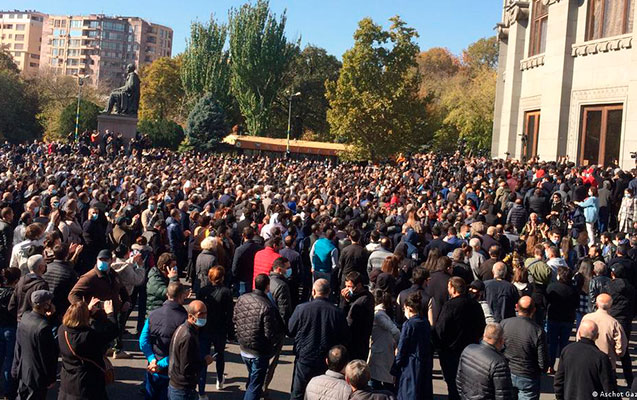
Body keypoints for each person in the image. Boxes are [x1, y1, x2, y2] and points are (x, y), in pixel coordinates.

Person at [288, 279, 350, 400]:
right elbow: (345, 337)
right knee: (322, 393)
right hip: (325, 359)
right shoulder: (337, 313)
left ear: (313, 291)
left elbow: (290, 330)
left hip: (304, 357)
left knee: (298, 392)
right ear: (329, 292)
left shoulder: (302, 309)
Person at [68, 249, 131, 359]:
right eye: (100, 259)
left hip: (113, 313)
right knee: (97, 347)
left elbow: (122, 289)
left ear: (111, 261)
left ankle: (114, 350)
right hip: (97, 318)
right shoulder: (89, 277)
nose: (103, 262)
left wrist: (126, 301)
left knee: (114, 334)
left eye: (105, 259)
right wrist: (84, 308)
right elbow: (73, 295)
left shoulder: (113, 274)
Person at [233, 273, 284, 400]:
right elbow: (269, 333)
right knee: (255, 386)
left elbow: (235, 319)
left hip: (244, 347)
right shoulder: (267, 306)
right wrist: (273, 346)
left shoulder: (242, 298)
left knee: (253, 377)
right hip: (258, 351)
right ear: (267, 287)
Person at [434, 277, 486, 400]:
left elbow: (441, 329)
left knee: (453, 385)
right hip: (471, 351)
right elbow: (481, 326)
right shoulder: (475, 305)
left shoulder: (450, 306)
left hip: (451, 352)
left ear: (453, 288)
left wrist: (438, 346)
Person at [58, 299, 119, 400]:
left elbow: (77, 321)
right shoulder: (87, 336)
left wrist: (88, 312)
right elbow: (112, 332)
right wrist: (110, 313)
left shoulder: (62, 330)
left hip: (68, 381)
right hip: (86, 383)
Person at [140, 282, 189, 400]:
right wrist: (161, 364)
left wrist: (152, 360)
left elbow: (143, 341)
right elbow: (179, 350)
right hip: (171, 372)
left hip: (153, 369)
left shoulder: (153, 314)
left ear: (167, 294)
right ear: (182, 296)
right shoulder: (184, 319)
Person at [11, 290, 58, 400]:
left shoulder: (25, 317)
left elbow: (18, 346)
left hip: (24, 371)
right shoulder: (44, 327)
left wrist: (16, 367)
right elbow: (47, 356)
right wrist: (51, 378)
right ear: (46, 305)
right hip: (37, 377)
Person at [500, 296, 548, 400]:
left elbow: (499, 348)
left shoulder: (504, 324)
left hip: (508, 371)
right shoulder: (538, 331)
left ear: (516, 307)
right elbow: (543, 362)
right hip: (528, 376)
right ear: (534, 310)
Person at [554, 319, 616, 399]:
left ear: (579, 334)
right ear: (597, 336)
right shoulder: (601, 357)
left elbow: (559, 380)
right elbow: (608, 387)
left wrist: (560, 397)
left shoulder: (567, 351)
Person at [196, 266, 233, 395]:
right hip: (220, 328)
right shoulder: (226, 292)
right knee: (220, 354)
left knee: (203, 357)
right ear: (222, 278)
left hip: (204, 327)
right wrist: (231, 332)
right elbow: (229, 314)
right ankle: (219, 378)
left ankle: (201, 388)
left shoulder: (202, 291)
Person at [391, 291, 433, 400]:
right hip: (424, 364)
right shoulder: (425, 322)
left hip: (410, 366)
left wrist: (395, 368)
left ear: (409, 308)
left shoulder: (408, 325)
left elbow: (402, 348)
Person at [168, 300, 213, 400]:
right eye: (201, 314)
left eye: (206, 313)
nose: (204, 317)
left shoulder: (184, 329)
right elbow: (187, 368)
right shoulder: (188, 336)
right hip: (182, 389)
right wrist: (205, 362)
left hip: (178, 385)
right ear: (190, 316)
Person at [456, 323, 514, 399]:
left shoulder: (468, 349)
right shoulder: (499, 363)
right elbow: (503, 396)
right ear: (501, 341)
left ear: (484, 335)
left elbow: (459, 381)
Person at [604, 263, 636, 386]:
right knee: (624, 350)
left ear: (613, 274)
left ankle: (611, 378)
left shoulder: (608, 286)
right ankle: (629, 380)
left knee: (607, 350)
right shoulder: (631, 288)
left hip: (610, 319)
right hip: (625, 321)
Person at [579, 293, 627, 372]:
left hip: (586, 360)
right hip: (607, 362)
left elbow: (579, 337)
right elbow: (621, 347)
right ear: (611, 305)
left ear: (597, 304)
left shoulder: (586, 318)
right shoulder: (614, 323)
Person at [546, 266, 579, 373]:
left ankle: (550, 365)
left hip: (553, 318)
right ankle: (562, 367)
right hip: (568, 319)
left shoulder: (551, 287)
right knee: (564, 344)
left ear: (559, 276)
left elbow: (546, 301)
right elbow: (576, 304)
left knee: (552, 343)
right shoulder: (573, 290)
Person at [368, 290, 400, 391]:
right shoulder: (382, 314)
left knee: (375, 381)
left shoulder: (378, 315)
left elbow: (395, 331)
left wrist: (399, 344)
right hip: (384, 351)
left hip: (380, 352)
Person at [43, 243, 79, 329]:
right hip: (61, 310)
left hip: (45, 307)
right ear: (67, 254)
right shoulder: (70, 273)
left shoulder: (46, 268)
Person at [9, 254, 49, 322]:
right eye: (45, 264)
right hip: (35, 323)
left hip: (21, 322)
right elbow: (43, 307)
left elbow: (11, 306)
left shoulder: (20, 281)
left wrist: (19, 318)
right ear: (41, 267)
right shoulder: (41, 285)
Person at [0, 267, 20, 399]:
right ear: (17, 280)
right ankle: (8, 391)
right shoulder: (15, 294)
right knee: (9, 360)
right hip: (11, 328)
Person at [232, 227, 263, 296]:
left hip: (243, 279)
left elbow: (234, 267)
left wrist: (234, 278)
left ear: (243, 235)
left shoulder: (239, 250)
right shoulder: (260, 248)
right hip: (256, 278)